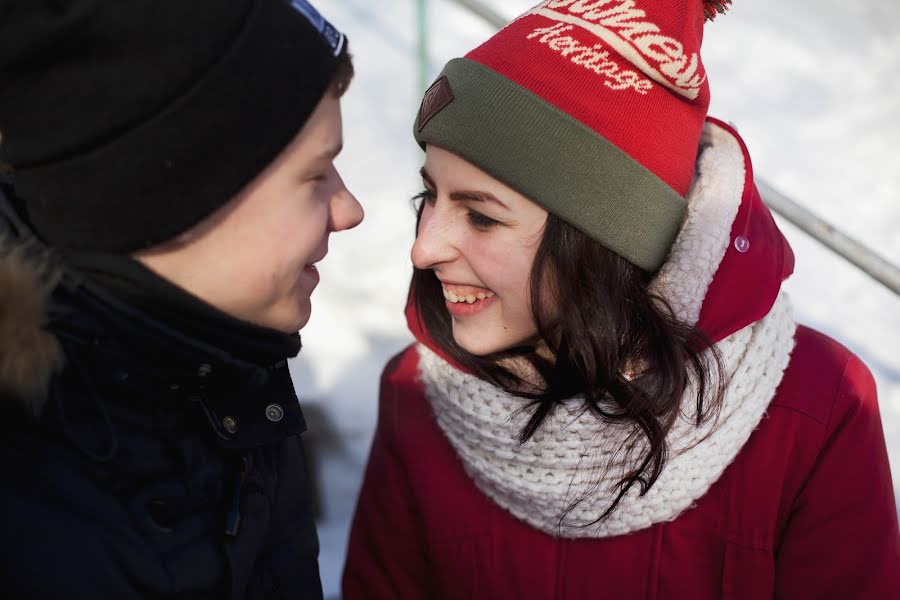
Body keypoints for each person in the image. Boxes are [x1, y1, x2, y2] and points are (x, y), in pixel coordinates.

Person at [343, 1, 900, 597]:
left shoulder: (813, 411)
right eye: (428, 197)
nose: (423, 249)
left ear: (601, 240)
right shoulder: (419, 394)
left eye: (480, 216)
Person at [0, 1, 362, 597]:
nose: (349, 210)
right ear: (174, 195)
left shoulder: (229, 372)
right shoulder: (25, 515)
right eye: (317, 173)